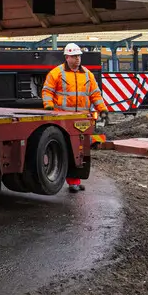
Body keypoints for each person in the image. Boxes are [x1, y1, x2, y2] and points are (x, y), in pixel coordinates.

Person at [41, 43, 108, 193]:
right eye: (74, 56)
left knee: (80, 151)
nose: (77, 59)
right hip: (63, 119)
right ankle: (72, 182)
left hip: (82, 119)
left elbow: (95, 94)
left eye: (79, 56)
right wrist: (49, 107)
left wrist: (102, 110)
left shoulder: (87, 75)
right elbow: (47, 91)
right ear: (67, 57)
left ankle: (74, 182)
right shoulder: (56, 73)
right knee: (68, 150)